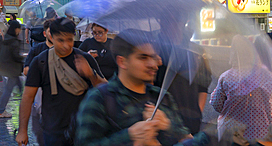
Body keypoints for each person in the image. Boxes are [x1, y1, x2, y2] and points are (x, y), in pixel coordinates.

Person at [74, 31, 203, 146]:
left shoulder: (161, 97)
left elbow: (187, 138)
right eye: (143, 58)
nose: (153, 64)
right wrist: (130, 136)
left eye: (153, 57)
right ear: (122, 62)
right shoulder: (100, 99)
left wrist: (168, 125)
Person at [17, 17, 106, 146]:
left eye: (70, 40)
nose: (66, 45)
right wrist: (22, 130)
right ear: (51, 37)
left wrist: (91, 74)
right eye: (61, 40)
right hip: (53, 131)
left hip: (84, 129)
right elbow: (27, 97)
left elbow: (106, 90)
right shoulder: (40, 62)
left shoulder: (84, 58)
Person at [210, 35, 272, 146]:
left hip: (232, 133)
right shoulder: (269, 77)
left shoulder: (227, 77)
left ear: (233, 54)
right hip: (263, 134)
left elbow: (217, 104)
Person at [0, 20, 24, 119]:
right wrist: (23, 57)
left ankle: (29, 104)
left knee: (20, 87)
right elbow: (16, 56)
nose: (20, 31)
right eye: (19, 28)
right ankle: (0, 111)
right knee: (8, 90)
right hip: (13, 69)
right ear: (16, 29)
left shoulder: (7, 38)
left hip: (8, 68)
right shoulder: (14, 41)